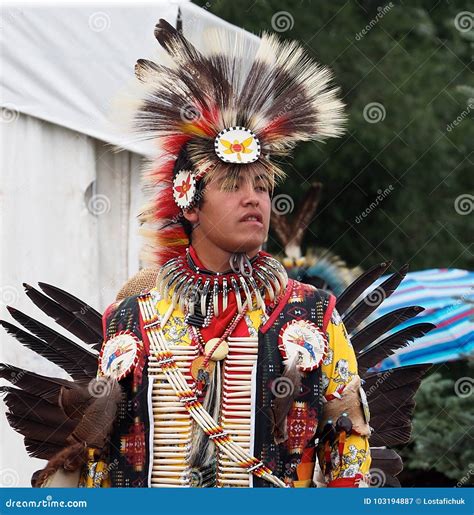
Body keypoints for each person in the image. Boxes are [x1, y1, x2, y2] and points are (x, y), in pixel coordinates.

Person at [1, 18, 434, 489]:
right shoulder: (130, 322)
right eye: (233, 186)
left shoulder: (312, 315)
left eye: (263, 186)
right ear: (188, 201)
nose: (255, 200)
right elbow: (101, 464)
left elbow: (348, 456)